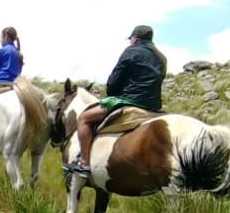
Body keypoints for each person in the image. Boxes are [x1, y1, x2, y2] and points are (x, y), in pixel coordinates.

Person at [68, 24, 168, 174]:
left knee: (84, 118)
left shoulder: (131, 51)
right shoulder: (161, 57)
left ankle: (84, 163)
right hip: (153, 105)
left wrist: (112, 94)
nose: (130, 41)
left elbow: (114, 80)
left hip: (129, 101)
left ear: (135, 39)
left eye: (131, 39)